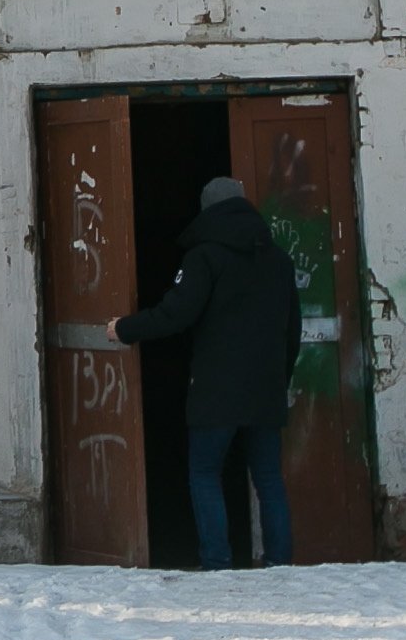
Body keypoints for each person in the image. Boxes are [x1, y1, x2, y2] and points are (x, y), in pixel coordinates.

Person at [113, 174, 304, 568]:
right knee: (268, 478)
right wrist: (277, 381)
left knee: (204, 473)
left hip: (216, 389)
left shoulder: (204, 258)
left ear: (207, 211)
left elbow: (176, 314)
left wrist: (124, 328)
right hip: (265, 389)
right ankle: (280, 562)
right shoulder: (279, 260)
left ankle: (216, 560)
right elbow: (293, 332)